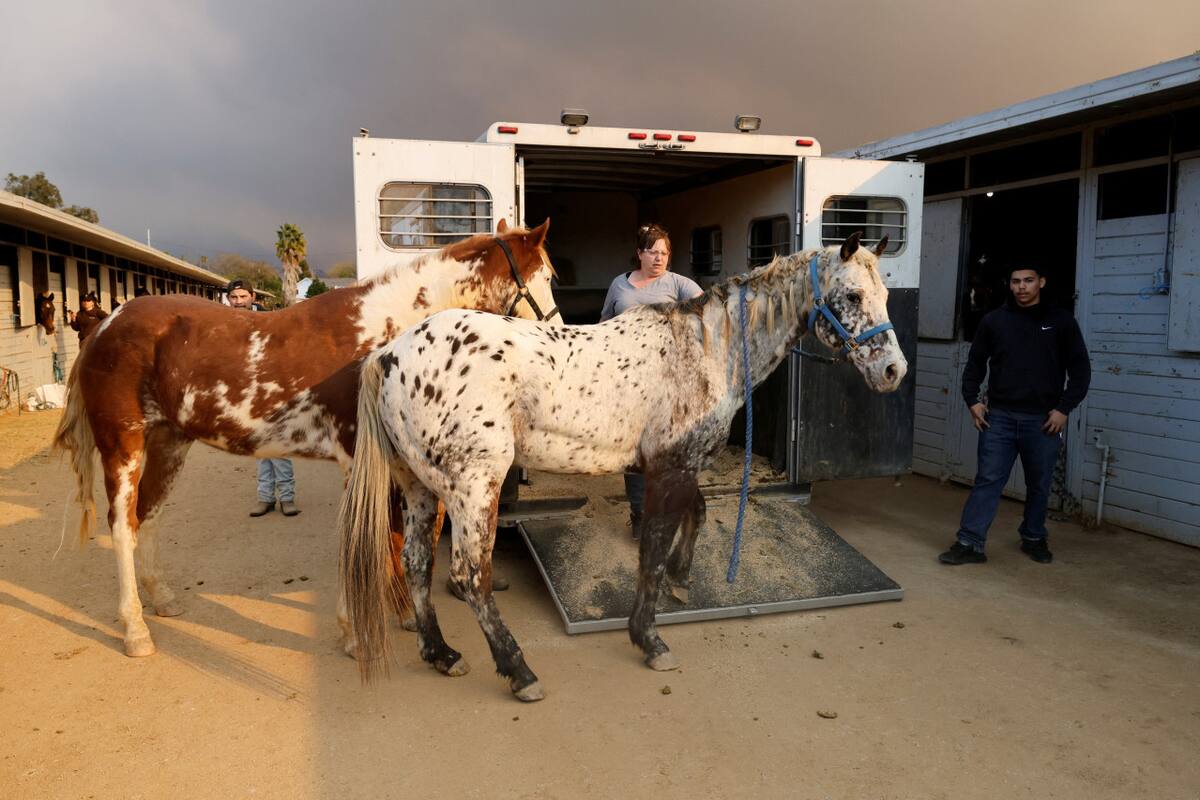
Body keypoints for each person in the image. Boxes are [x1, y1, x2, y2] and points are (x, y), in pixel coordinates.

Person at [939, 266, 1090, 566]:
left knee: (1039, 484)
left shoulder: (1060, 321)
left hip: (1043, 421)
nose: (1022, 287)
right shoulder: (994, 321)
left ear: (1041, 282)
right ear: (1009, 285)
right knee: (988, 480)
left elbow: (1081, 370)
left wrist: (1063, 409)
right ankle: (969, 543)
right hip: (1000, 418)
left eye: (1028, 281)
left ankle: (1033, 537)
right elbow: (975, 363)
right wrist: (972, 400)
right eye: (1016, 281)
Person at [600, 223, 703, 538]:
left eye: (664, 253)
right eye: (652, 252)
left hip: (666, 380)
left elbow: (709, 310)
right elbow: (604, 324)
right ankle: (640, 514)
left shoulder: (678, 284)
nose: (659, 258)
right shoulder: (620, 285)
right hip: (626, 378)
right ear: (639, 253)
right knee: (635, 449)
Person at [227, 279, 301, 518]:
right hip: (247, 396)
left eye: (243, 296)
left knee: (277, 446)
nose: (238, 301)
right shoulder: (224, 324)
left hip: (272, 391)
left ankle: (287, 498)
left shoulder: (270, 321)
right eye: (234, 297)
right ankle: (265, 497)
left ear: (252, 297)